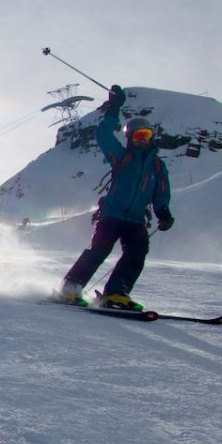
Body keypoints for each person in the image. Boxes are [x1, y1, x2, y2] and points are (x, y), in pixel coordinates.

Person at [55, 85, 172, 310]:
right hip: (111, 215)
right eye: (137, 136)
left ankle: (117, 294)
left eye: (145, 135)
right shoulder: (121, 156)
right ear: (129, 138)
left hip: (136, 219)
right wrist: (113, 109)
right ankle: (70, 288)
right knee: (99, 250)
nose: (141, 140)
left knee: (137, 254)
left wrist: (163, 212)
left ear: (151, 136)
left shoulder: (158, 166)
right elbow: (103, 136)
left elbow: (161, 192)